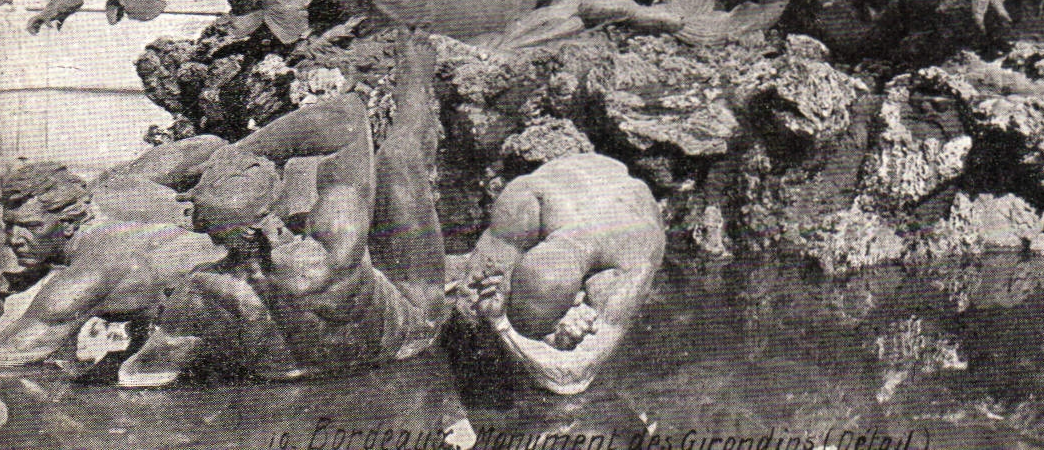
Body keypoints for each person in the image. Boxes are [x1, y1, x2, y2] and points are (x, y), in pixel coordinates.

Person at [112, 29, 449, 388]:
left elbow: (141, 374)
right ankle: (416, 73)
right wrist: (244, 153)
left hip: (288, 369)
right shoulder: (330, 257)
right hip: (401, 340)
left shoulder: (198, 293)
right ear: (268, 220)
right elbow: (347, 118)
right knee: (398, 160)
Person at [0, 138, 228, 370]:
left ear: (67, 225)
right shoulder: (113, 187)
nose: (14, 240)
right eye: (10, 225)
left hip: (234, 302)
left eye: (33, 227)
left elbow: (6, 355)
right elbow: (209, 146)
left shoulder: (86, 278)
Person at [456, 153, 664, 396]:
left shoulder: (636, 257)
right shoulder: (528, 200)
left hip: (633, 206)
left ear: (579, 296)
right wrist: (492, 300)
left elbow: (572, 376)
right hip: (573, 178)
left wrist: (501, 325)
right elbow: (467, 302)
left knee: (581, 337)